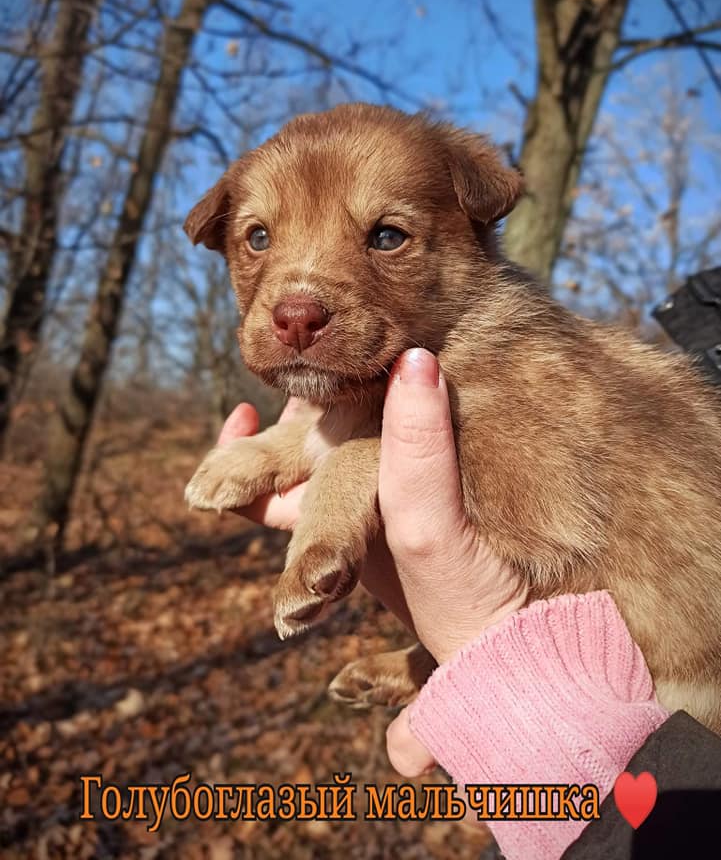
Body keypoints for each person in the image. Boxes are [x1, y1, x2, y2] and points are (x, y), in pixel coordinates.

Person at [220, 348, 721, 860]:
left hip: (682, 707)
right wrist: (292, 448)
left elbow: (540, 519)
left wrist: (490, 675)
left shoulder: (532, 361)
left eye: (388, 257)